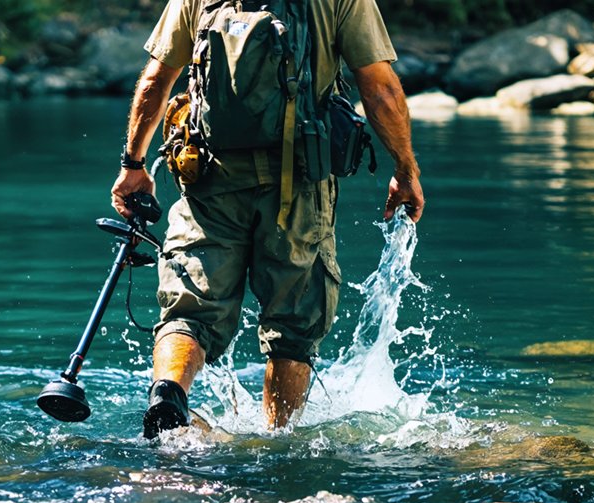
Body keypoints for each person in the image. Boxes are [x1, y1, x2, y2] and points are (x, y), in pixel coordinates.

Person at [111, 0, 424, 439]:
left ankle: (169, 392)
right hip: (299, 184)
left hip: (209, 177)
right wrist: (405, 170)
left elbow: (155, 80)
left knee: (190, 306)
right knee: (292, 324)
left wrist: (133, 165)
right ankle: (277, 439)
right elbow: (380, 90)